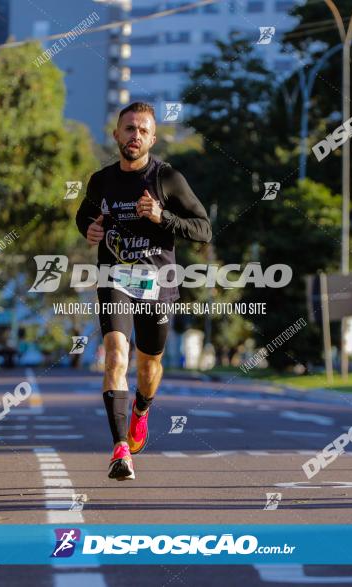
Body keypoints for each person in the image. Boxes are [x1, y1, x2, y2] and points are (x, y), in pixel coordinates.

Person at [75, 102, 212, 480]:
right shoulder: (101, 180)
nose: (135, 135)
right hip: (114, 278)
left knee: (148, 364)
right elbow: (84, 214)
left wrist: (161, 216)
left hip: (157, 284)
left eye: (142, 130)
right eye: (129, 128)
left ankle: (141, 409)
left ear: (152, 138)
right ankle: (121, 451)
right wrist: (88, 228)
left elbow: (203, 228)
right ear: (116, 134)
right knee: (117, 356)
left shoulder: (167, 178)